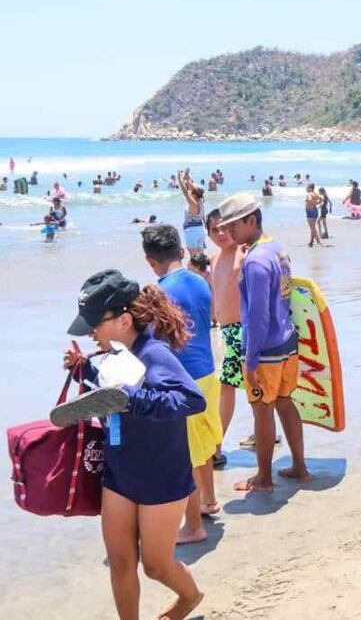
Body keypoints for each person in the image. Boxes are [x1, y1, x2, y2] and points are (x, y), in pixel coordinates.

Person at [63, 270, 206, 620]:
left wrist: (130, 398)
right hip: (120, 473)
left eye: (95, 325)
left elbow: (192, 400)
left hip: (161, 476)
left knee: (155, 567)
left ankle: (190, 597)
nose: (91, 334)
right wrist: (87, 373)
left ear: (124, 320)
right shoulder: (114, 355)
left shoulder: (155, 353)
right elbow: (115, 387)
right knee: (121, 563)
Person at [216, 193, 309, 491]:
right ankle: (299, 466)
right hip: (287, 343)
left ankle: (264, 478)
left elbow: (257, 317)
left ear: (251, 220)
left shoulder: (254, 261)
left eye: (233, 226)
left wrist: (249, 360)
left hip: (265, 351)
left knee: (262, 409)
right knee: (284, 401)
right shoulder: (277, 249)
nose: (227, 232)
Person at [140, 224, 223, 544]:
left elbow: (152, 341)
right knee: (201, 447)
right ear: (181, 250)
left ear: (150, 260)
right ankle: (209, 501)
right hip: (207, 373)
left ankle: (193, 527)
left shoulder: (160, 293)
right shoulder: (201, 283)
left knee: (183, 456)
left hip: (181, 382)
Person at [206, 209, 243, 467]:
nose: (220, 234)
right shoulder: (215, 258)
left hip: (242, 330)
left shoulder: (244, 254)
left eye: (224, 228)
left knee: (227, 388)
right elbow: (215, 296)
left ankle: (217, 446)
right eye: (214, 230)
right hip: (221, 331)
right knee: (222, 387)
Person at [303, 183, 324, 248]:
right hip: (315, 210)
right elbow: (321, 199)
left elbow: (309, 199)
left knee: (312, 228)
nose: (306, 188)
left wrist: (310, 202)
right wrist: (316, 203)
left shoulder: (309, 194)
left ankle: (319, 242)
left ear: (310, 188)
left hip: (310, 211)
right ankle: (311, 242)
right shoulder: (315, 193)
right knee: (313, 227)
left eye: (307, 187)